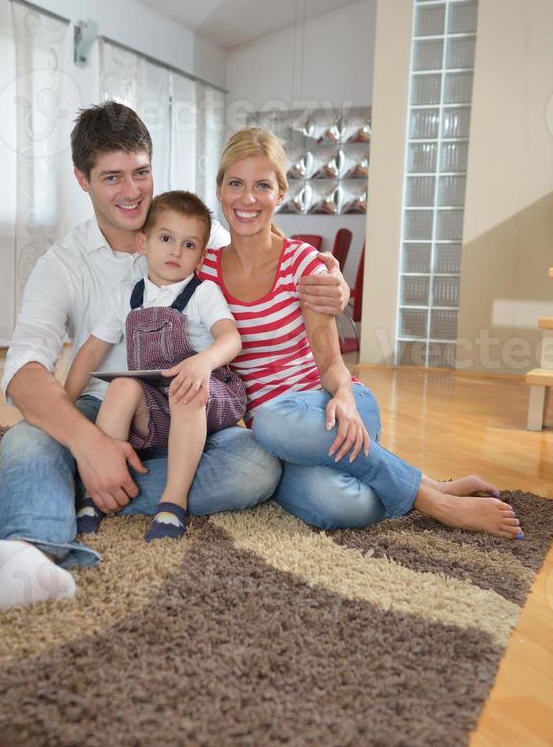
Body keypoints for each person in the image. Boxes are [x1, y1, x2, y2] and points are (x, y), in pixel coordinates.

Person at [0, 102, 349, 613]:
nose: (131, 192)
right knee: (29, 436)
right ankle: (27, 554)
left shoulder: (198, 234)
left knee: (256, 467)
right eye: (112, 177)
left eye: (141, 172)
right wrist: (89, 443)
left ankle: (45, 491)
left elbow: (268, 249)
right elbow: (25, 371)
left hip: (189, 411)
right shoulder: (61, 265)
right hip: (109, 411)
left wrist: (329, 282)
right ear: (82, 179)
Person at [198, 127, 524, 541]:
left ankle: (438, 504)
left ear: (280, 194)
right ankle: (425, 484)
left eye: (262, 185)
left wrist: (346, 400)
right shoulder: (204, 269)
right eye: (236, 184)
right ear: (220, 190)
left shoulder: (303, 263)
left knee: (269, 423)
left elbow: (331, 361)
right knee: (337, 505)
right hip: (283, 440)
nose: (247, 198)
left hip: (329, 408)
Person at [65, 190, 246, 543]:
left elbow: (231, 339)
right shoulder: (126, 295)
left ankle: (172, 502)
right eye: (166, 239)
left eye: (189, 245)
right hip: (156, 405)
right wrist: (63, 405)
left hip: (206, 396)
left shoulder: (202, 293)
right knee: (121, 387)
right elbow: (88, 353)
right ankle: (96, 491)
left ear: (201, 256)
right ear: (142, 243)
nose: (176, 251)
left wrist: (202, 363)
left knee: (186, 390)